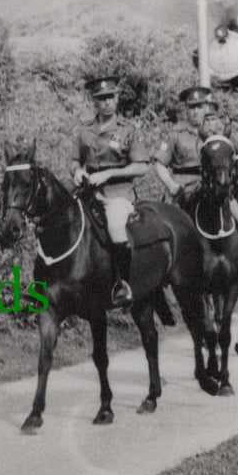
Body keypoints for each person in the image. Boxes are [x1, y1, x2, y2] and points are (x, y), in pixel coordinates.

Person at [152, 87, 238, 278]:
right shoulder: (176, 135)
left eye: (200, 107)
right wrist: (171, 185)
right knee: (166, 228)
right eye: (192, 107)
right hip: (184, 189)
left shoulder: (219, 134)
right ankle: (165, 273)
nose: (196, 112)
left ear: (207, 108)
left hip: (216, 188)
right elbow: (159, 164)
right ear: (186, 110)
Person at [71, 76, 150, 307]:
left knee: (116, 228)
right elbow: (74, 160)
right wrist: (77, 171)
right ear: (94, 102)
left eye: (110, 97)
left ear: (117, 99)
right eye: (101, 98)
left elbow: (142, 166)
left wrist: (109, 174)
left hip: (117, 192)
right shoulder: (83, 129)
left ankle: (122, 284)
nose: (106, 102)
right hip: (86, 190)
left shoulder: (128, 130)